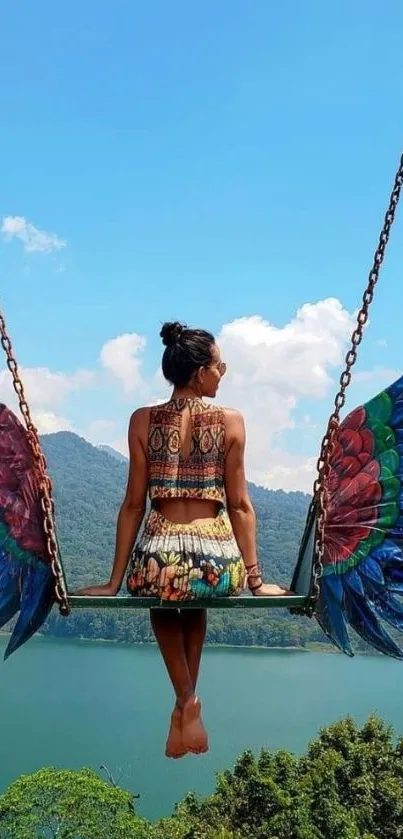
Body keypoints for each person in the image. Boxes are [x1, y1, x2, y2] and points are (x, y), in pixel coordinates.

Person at [78, 321, 290, 758]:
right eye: (219, 366)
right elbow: (241, 506)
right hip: (217, 561)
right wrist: (255, 580)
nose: (222, 373)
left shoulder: (142, 420)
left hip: (160, 556)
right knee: (196, 598)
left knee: (163, 596)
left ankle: (186, 701)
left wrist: (113, 581)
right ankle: (186, 703)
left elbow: (133, 505)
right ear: (199, 373)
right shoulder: (231, 421)